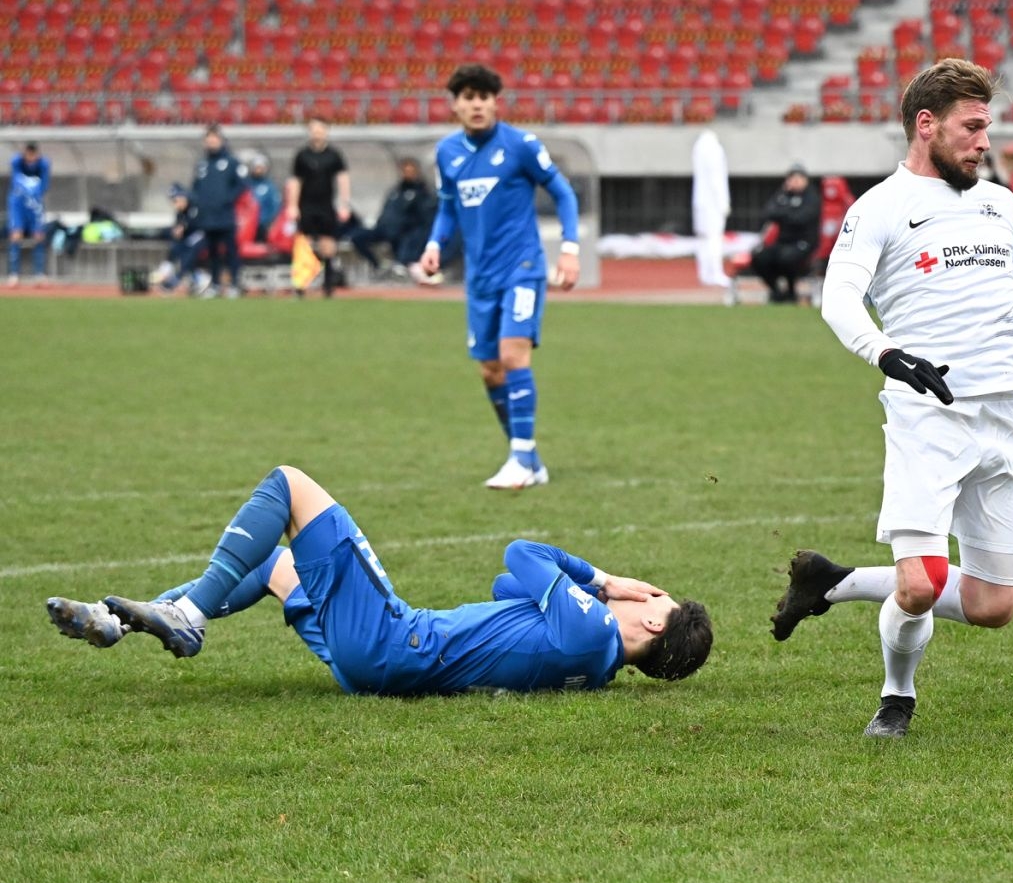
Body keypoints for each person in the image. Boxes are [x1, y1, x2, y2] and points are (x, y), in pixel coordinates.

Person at [775, 57, 1013, 738]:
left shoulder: (997, 202)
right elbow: (837, 299)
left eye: (987, 127)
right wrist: (888, 354)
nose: (984, 141)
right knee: (919, 584)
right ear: (927, 124)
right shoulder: (880, 207)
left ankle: (832, 584)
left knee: (993, 606)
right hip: (926, 417)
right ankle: (897, 697)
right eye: (972, 127)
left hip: (1003, 418)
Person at [45, 465, 711, 693]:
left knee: (291, 485)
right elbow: (512, 592)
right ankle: (119, 621)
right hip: (378, 665)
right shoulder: (590, 663)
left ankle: (188, 620)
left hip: (396, 642)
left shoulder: (589, 627)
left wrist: (604, 579)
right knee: (277, 565)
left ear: (652, 620)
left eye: (658, 595)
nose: (648, 590)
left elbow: (520, 553)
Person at [419, 63, 582, 491]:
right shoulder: (447, 153)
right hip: (480, 278)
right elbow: (448, 206)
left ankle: (520, 459)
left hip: (522, 268)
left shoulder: (521, 145)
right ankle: (529, 458)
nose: (477, 105)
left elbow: (563, 191)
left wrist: (569, 248)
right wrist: (435, 244)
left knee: (513, 356)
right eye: (468, 97)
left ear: (495, 102)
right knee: (491, 371)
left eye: (484, 97)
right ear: (455, 105)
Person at [288, 116, 351, 297]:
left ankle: (328, 285)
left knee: (328, 244)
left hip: (326, 205)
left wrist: (344, 204)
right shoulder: (302, 156)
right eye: (314, 129)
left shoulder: (334, 155)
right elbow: (295, 182)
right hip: (306, 205)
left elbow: (343, 179)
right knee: (303, 245)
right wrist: (293, 206)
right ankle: (301, 285)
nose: (317, 133)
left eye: (320, 129)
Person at [347, 157, 438, 279]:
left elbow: (422, 217)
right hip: (384, 228)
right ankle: (378, 265)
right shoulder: (395, 191)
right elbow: (387, 210)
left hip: (403, 232)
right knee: (357, 236)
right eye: (405, 171)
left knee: (406, 244)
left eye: (410, 171)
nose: (407, 174)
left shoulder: (422, 192)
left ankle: (402, 268)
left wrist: (404, 225)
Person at [746, 165, 821, 304]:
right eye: (792, 178)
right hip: (782, 242)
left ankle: (792, 293)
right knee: (759, 258)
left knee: (787, 258)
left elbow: (801, 218)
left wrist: (783, 212)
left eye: (798, 178)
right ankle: (777, 292)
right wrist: (789, 210)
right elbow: (769, 212)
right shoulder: (782, 194)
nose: (794, 182)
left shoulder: (811, 197)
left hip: (804, 243)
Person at [187, 125, 246, 298]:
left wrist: (227, 199)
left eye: (214, 139)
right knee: (212, 253)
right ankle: (215, 284)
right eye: (208, 139)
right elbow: (196, 187)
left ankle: (234, 284)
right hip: (207, 217)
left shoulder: (231, 162)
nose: (211, 143)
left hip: (225, 216)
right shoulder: (202, 164)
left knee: (230, 251)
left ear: (221, 141)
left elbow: (241, 185)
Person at [8, 140, 51, 287]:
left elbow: (45, 184)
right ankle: (14, 274)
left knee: (39, 237)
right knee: (16, 236)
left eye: (33, 154)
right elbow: (14, 165)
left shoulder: (42, 165)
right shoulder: (18, 163)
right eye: (28, 153)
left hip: (35, 204)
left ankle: (39, 274)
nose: (30, 157)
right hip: (19, 203)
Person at [691, 128, 730, 288]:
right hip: (713, 202)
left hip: (700, 201)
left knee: (703, 239)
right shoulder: (714, 149)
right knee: (715, 238)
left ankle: (705, 273)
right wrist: (723, 202)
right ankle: (715, 272)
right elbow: (716, 179)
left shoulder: (697, 148)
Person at [242, 150, 280, 236]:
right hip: (247, 224)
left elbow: (274, 206)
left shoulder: (269, 186)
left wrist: (270, 221)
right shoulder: (246, 185)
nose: (258, 170)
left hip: (262, 223)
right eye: (256, 167)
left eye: (261, 168)